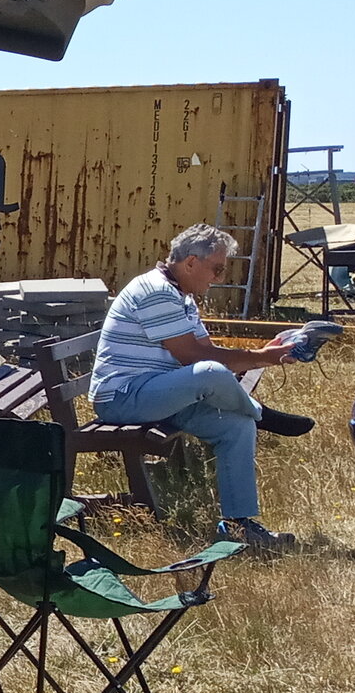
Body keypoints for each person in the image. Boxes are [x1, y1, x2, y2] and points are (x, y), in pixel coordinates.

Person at [89, 224, 313, 551]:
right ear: (191, 262)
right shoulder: (156, 291)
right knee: (209, 373)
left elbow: (209, 353)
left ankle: (239, 526)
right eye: (217, 269)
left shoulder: (181, 295)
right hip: (123, 399)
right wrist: (263, 358)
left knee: (236, 425)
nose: (219, 278)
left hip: (159, 395)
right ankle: (262, 414)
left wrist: (267, 353)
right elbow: (192, 356)